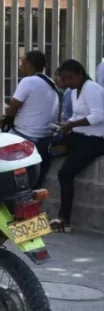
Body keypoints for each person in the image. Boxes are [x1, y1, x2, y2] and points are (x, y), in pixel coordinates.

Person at [51, 59, 104, 233]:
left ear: (80, 74)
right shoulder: (74, 92)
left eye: (69, 78)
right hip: (78, 134)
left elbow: (98, 116)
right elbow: (75, 115)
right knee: (47, 145)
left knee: (65, 173)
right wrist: (64, 125)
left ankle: (64, 218)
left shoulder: (93, 89)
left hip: (95, 139)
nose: (66, 82)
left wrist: (71, 125)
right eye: (64, 79)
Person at [0, 50, 59, 189]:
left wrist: (6, 114)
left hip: (25, 136)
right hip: (46, 138)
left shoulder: (28, 81)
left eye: (22, 62)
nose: (20, 66)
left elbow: (13, 108)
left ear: (29, 64)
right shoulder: (50, 82)